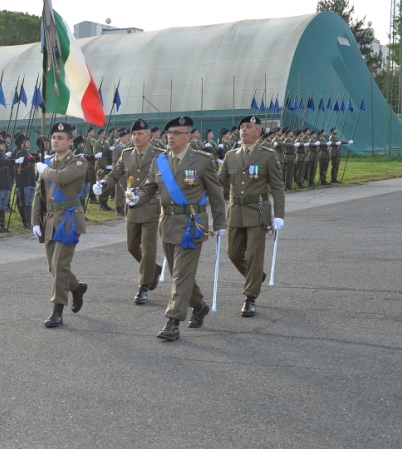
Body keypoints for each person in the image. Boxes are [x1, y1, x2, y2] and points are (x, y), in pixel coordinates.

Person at [130, 116, 226, 341]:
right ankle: (199, 305)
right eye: (169, 133)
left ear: (189, 136)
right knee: (178, 273)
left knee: (181, 275)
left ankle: (173, 321)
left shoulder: (201, 160)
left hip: (192, 225)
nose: (170, 137)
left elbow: (216, 194)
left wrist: (220, 223)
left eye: (176, 133)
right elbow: (149, 188)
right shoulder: (159, 161)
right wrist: (137, 198)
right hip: (168, 224)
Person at [218, 115, 285, 317]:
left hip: (258, 211)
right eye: (242, 127)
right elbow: (218, 182)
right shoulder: (231, 156)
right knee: (233, 253)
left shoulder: (267, 155)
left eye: (249, 127)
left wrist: (279, 215)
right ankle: (256, 276)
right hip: (235, 211)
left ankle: (250, 297)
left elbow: (277, 186)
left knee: (255, 255)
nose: (244, 130)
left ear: (258, 132)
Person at [99, 118, 163, 305]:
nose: (136, 137)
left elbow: (163, 181)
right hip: (132, 207)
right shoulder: (126, 154)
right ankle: (153, 268)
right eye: (133, 134)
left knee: (148, 248)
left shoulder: (159, 155)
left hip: (150, 206)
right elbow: (115, 173)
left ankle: (144, 285)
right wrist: (103, 184)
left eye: (140, 134)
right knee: (132, 246)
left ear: (149, 136)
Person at [32, 122, 88, 329]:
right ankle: (76, 287)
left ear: (70, 141)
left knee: (60, 265)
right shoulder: (48, 163)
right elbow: (39, 194)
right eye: (54, 137)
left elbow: (62, 177)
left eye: (60, 138)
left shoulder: (79, 162)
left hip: (69, 219)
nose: (55, 141)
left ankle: (57, 311)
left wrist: (44, 169)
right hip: (50, 219)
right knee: (52, 267)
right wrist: (35, 221)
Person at [13, 132, 37, 228]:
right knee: (24, 202)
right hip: (23, 181)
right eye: (26, 141)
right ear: (21, 144)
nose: (28, 143)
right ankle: (25, 222)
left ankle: (29, 220)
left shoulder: (28, 153)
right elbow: (24, 160)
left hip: (31, 181)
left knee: (29, 202)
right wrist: (30, 158)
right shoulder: (20, 153)